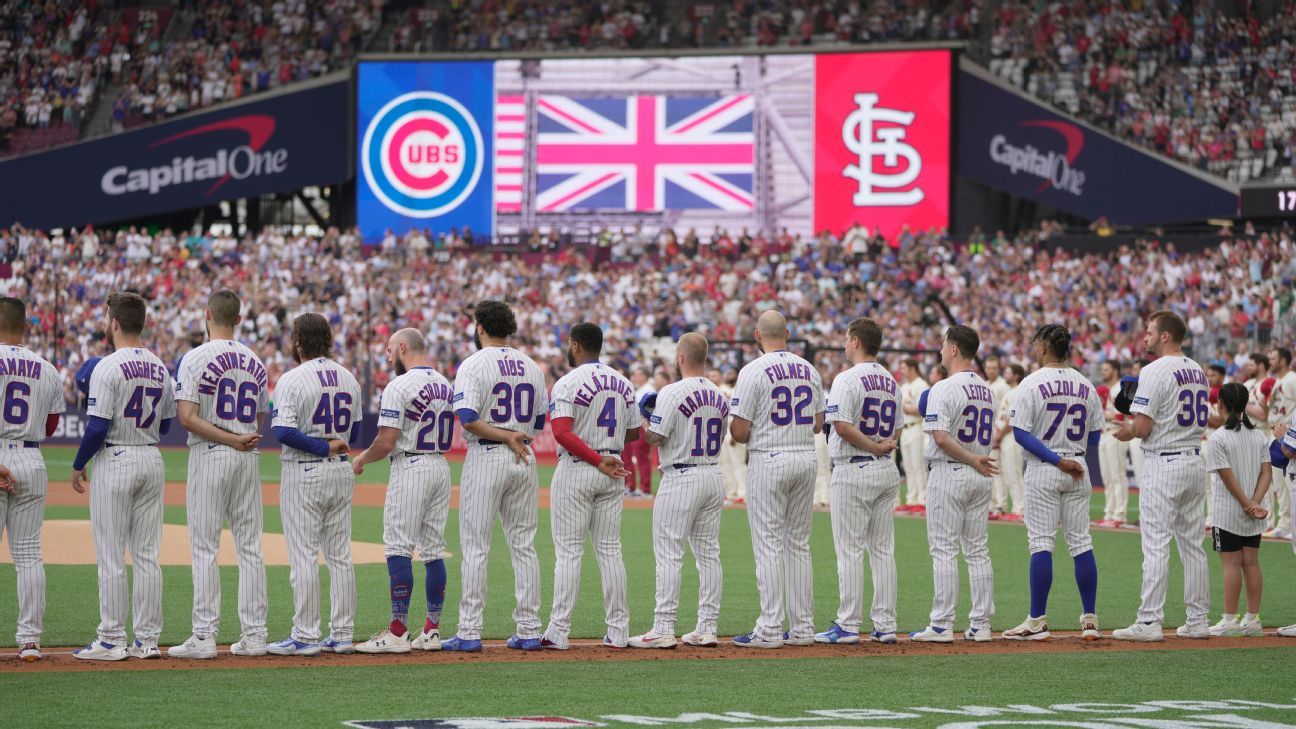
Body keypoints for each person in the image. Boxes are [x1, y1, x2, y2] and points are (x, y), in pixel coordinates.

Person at [71, 292, 178, 661]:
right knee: (147, 555)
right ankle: (147, 640)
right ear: (142, 322)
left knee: (112, 555)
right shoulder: (160, 367)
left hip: (116, 456)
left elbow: (98, 426)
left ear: (114, 322)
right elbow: (165, 424)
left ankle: (111, 639)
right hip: (151, 456)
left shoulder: (106, 366)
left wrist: (78, 462)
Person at [168, 290, 269, 659]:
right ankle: (255, 635)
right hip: (247, 455)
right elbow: (259, 416)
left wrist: (228, 437)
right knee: (250, 548)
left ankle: (204, 635)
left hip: (211, 454)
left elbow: (187, 417)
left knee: (205, 547)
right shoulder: (256, 360)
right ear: (238, 319)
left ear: (207, 314)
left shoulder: (194, 357)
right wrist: (240, 437)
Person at [444, 300, 548, 652]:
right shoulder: (532, 366)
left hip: (488, 454)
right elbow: (537, 424)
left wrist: (504, 435)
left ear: (480, 327)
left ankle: (469, 631)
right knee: (524, 546)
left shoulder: (473, 363)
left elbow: (468, 418)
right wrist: (514, 437)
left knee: (475, 546)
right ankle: (530, 629)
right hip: (524, 457)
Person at [350, 329, 455, 654]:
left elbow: (386, 441)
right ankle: (432, 629)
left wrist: (362, 459)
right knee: (433, 549)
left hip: (411, 466)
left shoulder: (399, 385)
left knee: (398, 547)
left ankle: (397, 632)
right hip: (440, 466)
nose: (388, 353)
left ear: (404, 347)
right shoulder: (445, 383)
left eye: (391, 348)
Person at [1113, 311, 1211, 641]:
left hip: (1164, 461)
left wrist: (1128, 429)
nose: (1146, 337)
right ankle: (1198, 619)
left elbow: (1142, 427)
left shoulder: (1154, 370)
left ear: (1165, 335)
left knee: (1155, 544)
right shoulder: (1198, 370)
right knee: (1193, 546)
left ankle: (1149, 620)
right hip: (1193, 459)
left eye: (1151, 332)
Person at [267, 313, 361, 656]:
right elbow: (358, 430)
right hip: (340, 469)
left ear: (298, 341)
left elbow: (282, 431)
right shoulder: (349, 377)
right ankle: (343, 633)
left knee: (304, 554)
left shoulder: (292, 378)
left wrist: (321, 445)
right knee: (340, 554)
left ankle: (305, 635)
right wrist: (331, 444)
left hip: (306, 470)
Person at [1001, 325, 1104, 641]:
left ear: (1044, 347)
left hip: (1046, 467)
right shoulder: (1085, 384)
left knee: (1041, 543)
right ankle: (1089, 619)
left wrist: (1057, 459)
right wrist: (1071, 457)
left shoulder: (1032, 382)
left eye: (1036, 344)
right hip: (1078, 466)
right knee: (1081, 542)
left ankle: (1036, 620)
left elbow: (1020, 433)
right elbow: (1096, 435)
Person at [729, 310, 824, 648]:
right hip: (805, 455)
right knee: (798, 544)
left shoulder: (752, 370)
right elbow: (817, 424)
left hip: (770, 457)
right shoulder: (809, 368)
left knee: (768, 543)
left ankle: (769, 628)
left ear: (757, 335)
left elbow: (739, 431)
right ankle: (802, 628)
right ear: (788, 333)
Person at [542, 323, 639, 650]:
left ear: (577, 345)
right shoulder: (623, 383)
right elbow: (635, 433)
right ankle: (619, 630)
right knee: (610, 551)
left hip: (579, 467)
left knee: (569, 552)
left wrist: (596, 457)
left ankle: (558, 631)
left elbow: (562, 433)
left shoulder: (567, 382)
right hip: (613, 467)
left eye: (569, 343)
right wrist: (607, 450)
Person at [628, 333, 727, 649]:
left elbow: (656, 437)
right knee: (709, 553)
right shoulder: (719, 394)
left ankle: (663, 627)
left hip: (681, 475)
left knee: (669, 553)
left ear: (681, 358)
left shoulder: (671, 392)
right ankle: (707, 627)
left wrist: (645, 417)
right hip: (712, 473)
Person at [910, 324, 999, 643]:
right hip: (980, 472)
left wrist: (970, 458)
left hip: (952, 471)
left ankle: (941, 624)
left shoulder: (944, 388)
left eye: (943, 344)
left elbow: (941, 437)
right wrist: (976, 458)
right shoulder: (987, 389)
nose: (939, 349)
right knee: (977, 550)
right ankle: (981, 623)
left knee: (944, 548)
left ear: (954, 349)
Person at [814, 317, 900, 645]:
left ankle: (848, 624)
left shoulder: (847, 378)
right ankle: (886, 624)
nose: (845, 343)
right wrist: (881, 445)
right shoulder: (891, 381)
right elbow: (898, 427)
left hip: (854, 467)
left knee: (850, 550)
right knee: (882, 550)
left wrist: (874, 445)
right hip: (885, 468)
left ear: (856, 341)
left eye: (847, 338)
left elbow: (842, 426)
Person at [0, 297, 65, 662]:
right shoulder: (46, 367)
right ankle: (30, 641)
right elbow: (51, 426)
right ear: (25, 326)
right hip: (30, 456)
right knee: (27, 555)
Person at [1204, 383, 1270, 637]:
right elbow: (1266, 472)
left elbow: (1226, 476)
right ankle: (1253, 618)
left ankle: (1230, 618)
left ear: (1221, 403)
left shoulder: (1218, 437)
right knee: (1251, 563)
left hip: (1229, 511)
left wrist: (1246, 504)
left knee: (1231, 564)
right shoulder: (1258, 436)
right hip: (1254, 511)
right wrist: (1255, 502)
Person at [1264, 347, 1295, 540]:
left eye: (1273, 358)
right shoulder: (1278, 381)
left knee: (1286, 482)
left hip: (1289, 435)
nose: (1270, 361)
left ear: (1283, 361)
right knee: (1278, 482)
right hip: (1276, 432)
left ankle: (1287, 524)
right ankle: (1284, 523)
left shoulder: (1292, 379)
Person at [1096, 360, 1131, 527]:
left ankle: (1120, 514)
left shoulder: (1120, 389)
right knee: (1107, 477)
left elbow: (1119, 416)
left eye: (1106, 369)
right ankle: (1109, 513)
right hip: (1104, 433)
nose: (1103, 372)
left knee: (1117, 475)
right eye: (1102, 369)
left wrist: (1101, 412)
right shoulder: (1106, 390)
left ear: (1115, 371)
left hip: (1116, 433)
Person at [993, 363, 1026, 521]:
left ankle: (1020, 508)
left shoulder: (1018, 391)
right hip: (1005, 436)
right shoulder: (1012, 392)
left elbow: (1013, 418)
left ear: (1016, 375)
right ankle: (1017, 507)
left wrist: (999, 434)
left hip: (1012, 436)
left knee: (1014, 473)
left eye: (1008, 372)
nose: (1005, 374)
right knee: (1008, 474)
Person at [898, 358, 929, 513]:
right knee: (909, 467)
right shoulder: (904, 386)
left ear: (912, 368)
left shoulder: (921, 384)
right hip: (905, 428)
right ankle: (911, 499)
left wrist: (906, 408)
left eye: (904, 368)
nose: (902, 371)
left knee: (918, 466)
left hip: (917, 427)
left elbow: (922, 409)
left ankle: (922, 500)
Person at [985, 358, 1012, 518]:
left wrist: (999, 432)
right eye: (988, 367)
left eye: (994, 368)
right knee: (989, 470)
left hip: (999, 431)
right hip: (988, 432)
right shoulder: (986, 384)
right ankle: (993, 503)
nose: (990, 370)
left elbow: (1005, 412)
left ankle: (1001, 504)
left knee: (997, 470)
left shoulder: (1003, 386)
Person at [624, 368, 655, 498]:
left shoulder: (649, 390)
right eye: (634, 375)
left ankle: (645, 489)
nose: (636, 377)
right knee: (628, 457)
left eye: (640, 374)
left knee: (641, 458)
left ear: (646, 376)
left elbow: (650, 411)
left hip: (642, 426)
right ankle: (630, 486)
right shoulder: (638, 390)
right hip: (633, 426)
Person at [718, 369, 747, 505]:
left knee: (738, 463)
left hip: (736, 427)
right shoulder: (723, 389)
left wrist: (735, 434)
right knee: (726, 463)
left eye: (731, 373)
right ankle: (730, 492)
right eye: (727, 373)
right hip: (725, 429)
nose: (728, 375)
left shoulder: (741, 390)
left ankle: (743, 493)